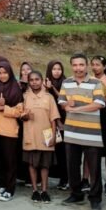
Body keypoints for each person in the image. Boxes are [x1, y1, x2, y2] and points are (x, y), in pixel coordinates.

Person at [59, 53, 105, 210]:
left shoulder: (95, 83)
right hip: (71, 132)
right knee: (72, 166)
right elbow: (61, 100)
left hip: (91, 133)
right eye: (75, 65)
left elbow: (99, 103)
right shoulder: (66, 82)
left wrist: (76, 109)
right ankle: (76, 194)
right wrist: (66, 105)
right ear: (71, 66)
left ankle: (95, 198)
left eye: (81, 65)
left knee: (94, 169)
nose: (78, 68)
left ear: (86, 66)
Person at [21, 70, 60, 203]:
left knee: (45, 165)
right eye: (31, 80)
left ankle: (44, 190)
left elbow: (53, 118)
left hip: (46, 135)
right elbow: (20, 114)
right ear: (28, 82)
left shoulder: (48, 97)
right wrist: (24, 116)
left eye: (37, 79)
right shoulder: (25, 96)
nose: (34, 82)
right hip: (30, 134)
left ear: (42, 80)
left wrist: (53, 136)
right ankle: (34, 190)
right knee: (32, 164)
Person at [0, 60, 23, 202]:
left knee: (10, 161)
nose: (2, 75)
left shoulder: (16, 89)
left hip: (9, 131)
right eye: (0, 73)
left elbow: (20, 111)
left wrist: (4, 108)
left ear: (10, 73)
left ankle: (10, 189)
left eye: (5, 72)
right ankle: (2, 184)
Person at [90, 55, 106, 196]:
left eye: (98, 64)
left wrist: (101, 90)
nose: (95, 67)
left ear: (104, 66)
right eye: (93, 64)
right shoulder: (88, 79)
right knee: (89, 149)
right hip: (90, 115)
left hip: (105, 115)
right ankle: (86, 179)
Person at [45, 60, 68, 190]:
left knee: (63, 151)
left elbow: (63, 99)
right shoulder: (44, 83)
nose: (57, 71)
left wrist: (52, 88)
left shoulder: (66, 83)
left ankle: (65, 179)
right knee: (51, 149)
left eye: (59, 69)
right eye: (54, 69)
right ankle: (50, 177)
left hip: (64, 122)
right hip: (49, 122)